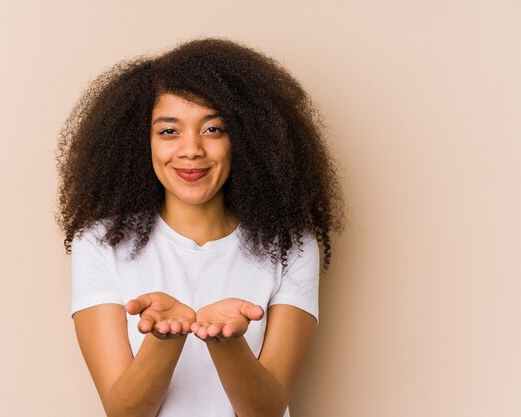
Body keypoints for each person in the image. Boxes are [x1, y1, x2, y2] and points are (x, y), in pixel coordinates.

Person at [55, 37, 345, 417]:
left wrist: (227, 344)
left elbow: (268, 410)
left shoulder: (290, 244)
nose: (191, 149)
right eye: (169, 131)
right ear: (139, 142)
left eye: (213, 129)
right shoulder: (100, 243)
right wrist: (164, 338)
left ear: (246, 138)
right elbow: (123, 412)